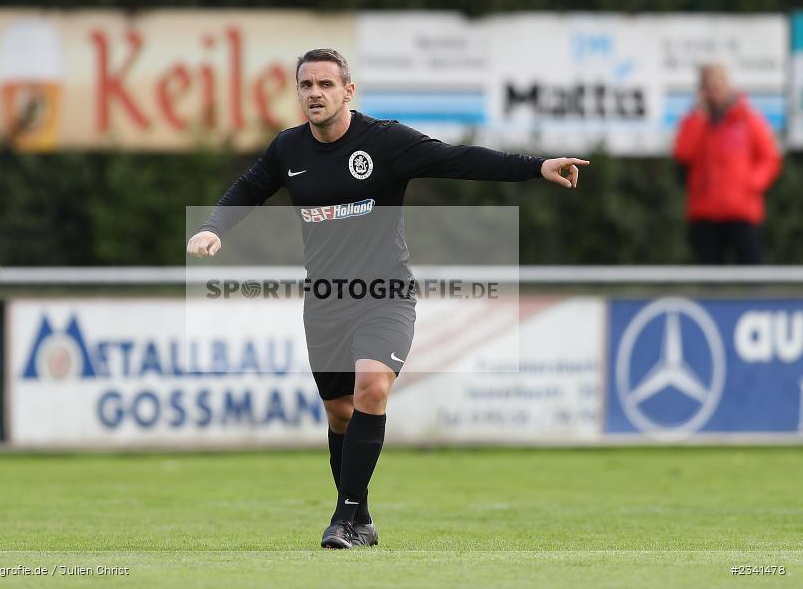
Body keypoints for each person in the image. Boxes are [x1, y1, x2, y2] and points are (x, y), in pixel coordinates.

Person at [186, 49, 588, 549]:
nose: (315, 93)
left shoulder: (385, 142)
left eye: (325, 84)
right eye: (306, 85)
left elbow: (458, 159)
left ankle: (343, 519)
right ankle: (363, 517)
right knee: (339, 413)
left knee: (372, 387)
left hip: (386, 293)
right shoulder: (288, 151)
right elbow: (248, 190)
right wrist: (212, 228)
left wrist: (537, 166)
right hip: (326, 299)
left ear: (348, 92)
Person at [673, 63, 781, 264]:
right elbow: (683, 154)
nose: (714, 92)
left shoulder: (748, 119)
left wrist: (751, 184)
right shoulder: (694, 120)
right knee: (711, 279)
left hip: (743, 211)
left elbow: (770, 158)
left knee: (753, 272)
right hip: (704, 211)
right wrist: (699, 119)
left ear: (727, 85)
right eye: (708, 86)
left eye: (718, 85)